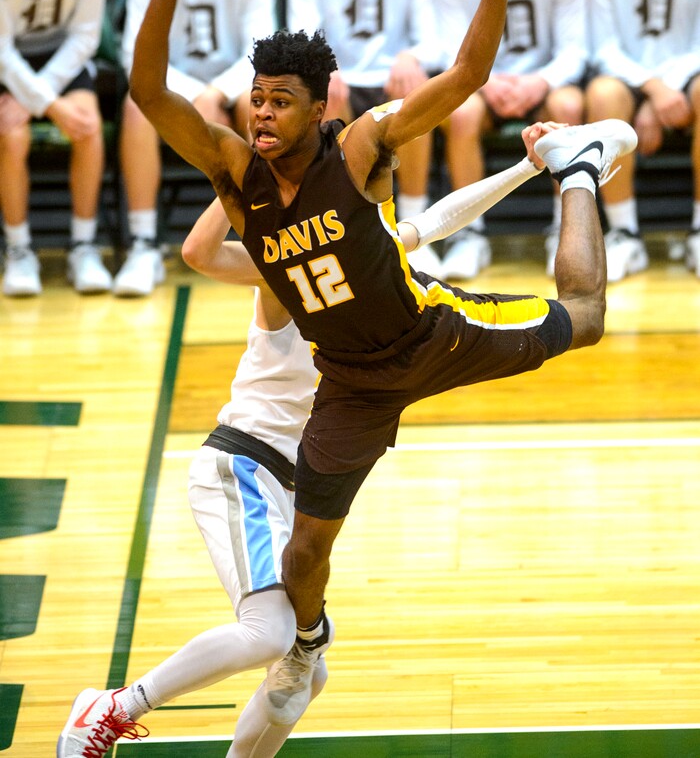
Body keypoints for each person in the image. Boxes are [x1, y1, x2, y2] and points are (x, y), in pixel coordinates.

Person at [128, 0, 636, 730]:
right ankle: (305, 646)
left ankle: (577, 172)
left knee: (585, 318)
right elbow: (149, 93)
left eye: (279, 103)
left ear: (316, 105)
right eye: (255, 100)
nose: (260, 115)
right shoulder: (233, 173)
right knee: (301, 558)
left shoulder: (361, 147)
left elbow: (467, 75)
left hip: (433, 335)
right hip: (354, 385)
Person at [58, 141, 556, 755]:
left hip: (293, 486)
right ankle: (110, 709)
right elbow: (197, 252)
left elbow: (442, 218)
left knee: (305, 669)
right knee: (269, 636)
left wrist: (528, 167)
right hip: (242, 462)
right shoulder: (288, 273)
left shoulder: (375, 267)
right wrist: (239, 174)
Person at [115, 0, 276, 297]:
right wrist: (193, 95)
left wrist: (217, 91)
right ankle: (145, 244)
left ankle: (268, 236)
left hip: (237, 82)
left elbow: (261, 50)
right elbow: (136, 51)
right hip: (174, 89)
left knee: (262, 106)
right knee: (134, 108)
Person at [285, 0, 443, 275]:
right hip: (341, 79)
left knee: (417, 90)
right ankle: (344, 229)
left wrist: (412, 56)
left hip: (393, 76)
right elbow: (302, 37)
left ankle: (413, 227)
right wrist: (325, 69)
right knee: (320, 95)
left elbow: (435, 40)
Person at [433, 0, 588, 280]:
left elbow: (576, 50)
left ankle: (565, 229)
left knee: (569, 103)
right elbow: (451, 50)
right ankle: (469, 236)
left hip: (542, 80)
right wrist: (488, 84)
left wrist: (540, 81)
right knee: (460, 113)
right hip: (481, 86)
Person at [584, 0, 700, 282]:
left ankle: (698, 232)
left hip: (687, 73)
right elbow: (604, 47)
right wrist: (653, 89)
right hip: (630, 75)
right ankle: (625, 235)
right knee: (602, 93)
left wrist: (662, 91)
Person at [0, 0, 112, 297]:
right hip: (10, 62)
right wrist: (46, 103)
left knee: (87, 128)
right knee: (11, 134)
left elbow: (85, 36)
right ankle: (19, 249)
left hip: (63, 57)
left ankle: (84, 247)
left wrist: (42, 99)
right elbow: (2, 48)